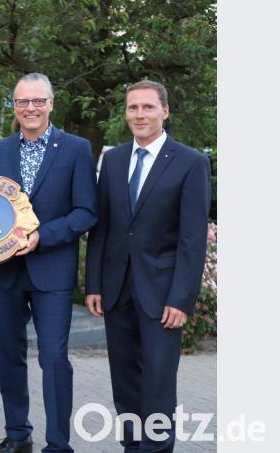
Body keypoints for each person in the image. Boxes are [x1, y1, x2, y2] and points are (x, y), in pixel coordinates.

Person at [85, 80, 210, 452]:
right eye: (133, 108)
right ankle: (131, 447)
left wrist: (181, 299)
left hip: (163, 296)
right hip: (117, 289)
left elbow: (192, 239)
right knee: (124, 383)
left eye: (148, 108)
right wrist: (94, 284)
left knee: (157, 383)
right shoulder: (113, 159)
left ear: (165, 112)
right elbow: (102, 229)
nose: (139, 115)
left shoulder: (191, 162)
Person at [0, 73, 97, 453]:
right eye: (22, 102)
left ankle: (58, 443)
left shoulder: (76, 148)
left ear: (51, 103)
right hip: (5, 271)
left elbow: (86, 211)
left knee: (53, 358)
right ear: (13, 106)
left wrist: (42, 237)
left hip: (52, 270)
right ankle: (18, 435)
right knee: (9, 356)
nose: (29, 109)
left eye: (37, 101)